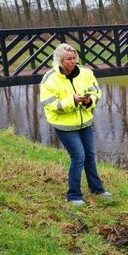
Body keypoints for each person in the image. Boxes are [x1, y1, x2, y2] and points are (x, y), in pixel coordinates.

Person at [40, 43, 110, 205]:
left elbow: (96, 91)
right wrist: (73, 100)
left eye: (74, 58)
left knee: (90, 156)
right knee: (78, 157)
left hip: (85, 122)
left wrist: (88, 100)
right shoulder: (49, 79)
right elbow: (50, 105)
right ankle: (74, 195)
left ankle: (97, 189)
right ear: (59, 60)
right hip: (64, 126)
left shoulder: (86, 73)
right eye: (68, 59)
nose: (72, 62)